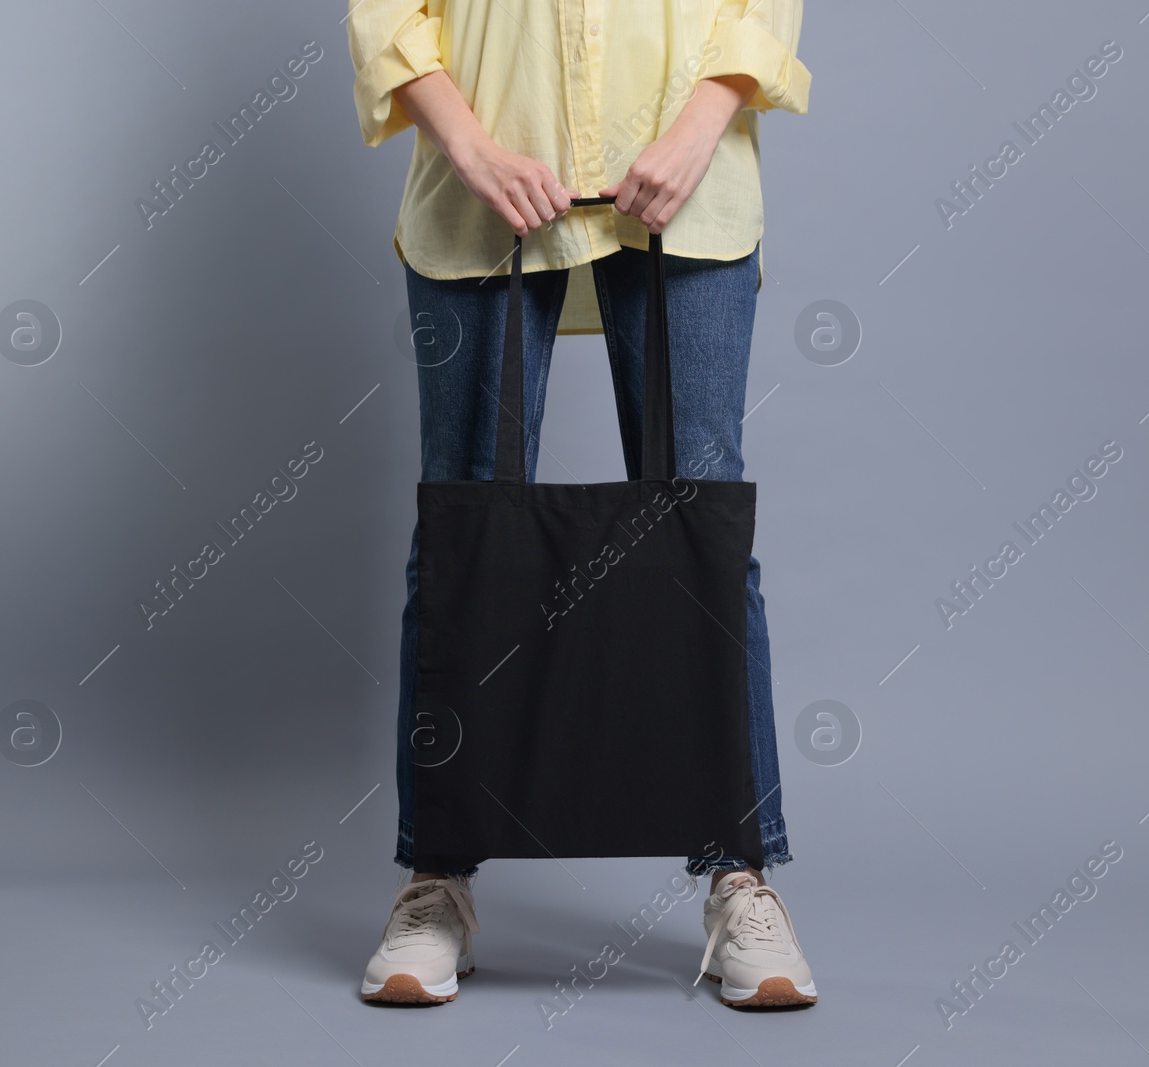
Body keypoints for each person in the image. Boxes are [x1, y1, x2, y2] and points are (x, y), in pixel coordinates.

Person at [346, 0, 814, 1009]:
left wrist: (698, 130)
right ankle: (438, 875)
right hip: (484, 187)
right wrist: (467, 143)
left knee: (703, 532)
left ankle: (740, 874)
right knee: (466, 525)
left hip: (685, 181)